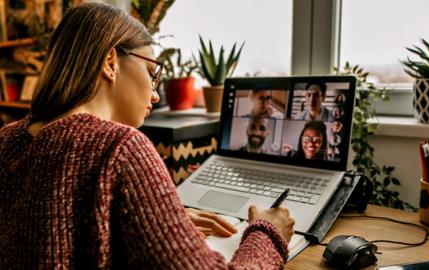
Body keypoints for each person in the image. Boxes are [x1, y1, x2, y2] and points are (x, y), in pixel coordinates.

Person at [0, 3, 294, 269]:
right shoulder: (119, 147)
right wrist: (267, 232)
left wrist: (151, 220)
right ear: (110, 62)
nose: (155, 94)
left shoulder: (7, 139)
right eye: (152, 72)